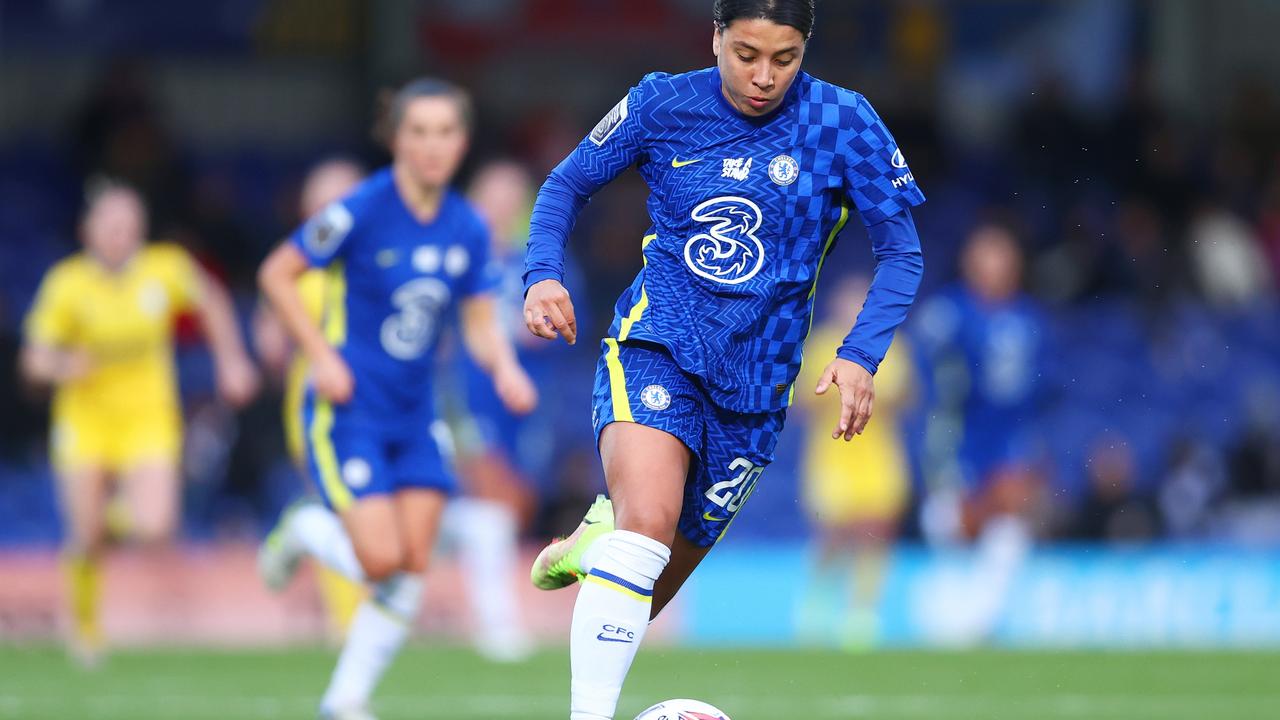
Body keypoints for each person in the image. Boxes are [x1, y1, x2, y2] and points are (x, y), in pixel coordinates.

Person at [521, 2, 926, 717]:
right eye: (745, 54)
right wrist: (542, 273)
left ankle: (599, 535)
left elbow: (901, 251)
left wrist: (860, 354)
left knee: (641, 593)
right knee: (645, 528)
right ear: (714, 37)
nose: (763, 76)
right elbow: (565, 183)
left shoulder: (844, 121)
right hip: (659, 347)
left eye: (784, 58)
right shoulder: (662, 101)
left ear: (806, 49)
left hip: (757, 393)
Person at [255, 78, 537, 720]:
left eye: (445, 132)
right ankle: (301, 530)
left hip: (415, 417)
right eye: (419, 132)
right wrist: (321, 357)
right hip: (349, 410)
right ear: (397, 140)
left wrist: (505, 369)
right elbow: (276, 273)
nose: (432, 146)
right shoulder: (361, 208)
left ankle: (343, 702)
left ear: (461, 142)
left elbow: (476, 323)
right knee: (382, 559)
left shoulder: (467, 226)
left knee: (410, 565)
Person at [20, 179, 259, 664]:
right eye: (110, 225)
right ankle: (85, 629)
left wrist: (231, 359)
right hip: (85, 420)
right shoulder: (68, 283)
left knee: (155, 526)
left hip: (148, 417)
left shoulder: (164, 269)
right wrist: (64, 365)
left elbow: (212, 300)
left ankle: (104, 525)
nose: (120, 235)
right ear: (88, 230)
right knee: (83, 535)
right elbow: (33, 359)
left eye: (129, 226)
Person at [253, 158, 369, 643]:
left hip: (381, 406)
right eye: (325, 201)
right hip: (319, 405)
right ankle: (350, 627)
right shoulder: (297, 269)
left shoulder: (377, 261)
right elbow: (268, 343)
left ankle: (301, 531)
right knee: (345, 507)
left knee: (369, 514)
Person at [914, 221, 1046, 643]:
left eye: (1003, 256)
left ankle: (983, 618)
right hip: (957, 433)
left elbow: (1042, 387)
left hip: (1006, 435)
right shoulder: (949, 311)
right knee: (951, 521)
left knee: (1009, 518)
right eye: (987, 255)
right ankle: (947, 613)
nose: (996, 265)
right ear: (971, 263)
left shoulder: (1028, 317)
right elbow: (926, 373)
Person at [794, 274, 915, 650]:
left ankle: (862, 612)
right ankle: (817, 604)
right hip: (833, 454)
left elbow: (909, 397)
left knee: (876, 531)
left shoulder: (890, 346)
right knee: (835, 534)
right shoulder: (823, 346)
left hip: (878, 454)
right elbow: (802, 403)